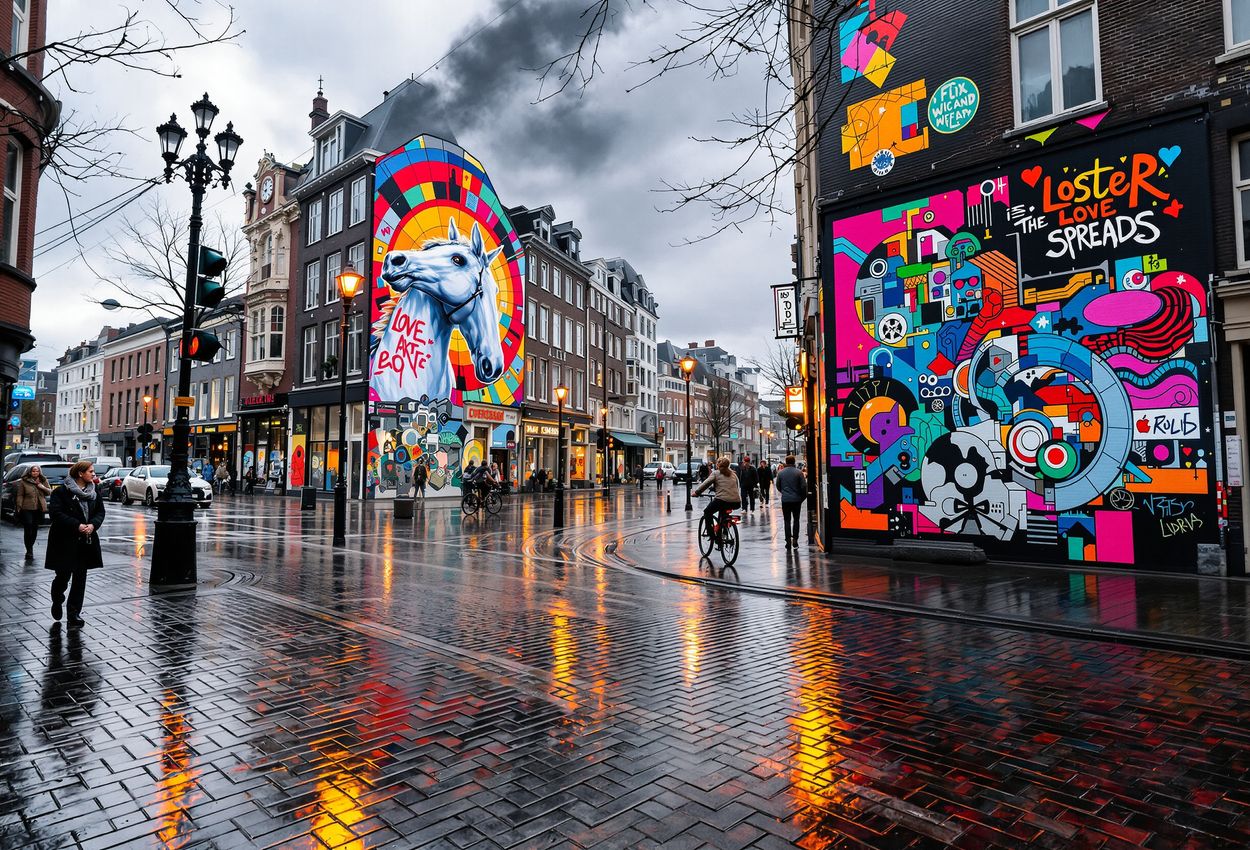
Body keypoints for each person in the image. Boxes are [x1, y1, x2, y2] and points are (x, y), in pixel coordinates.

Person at [45, 460, 105, 627]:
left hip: (86, 541)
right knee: (62, 576)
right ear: (80, 473)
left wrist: (93, 525)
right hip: (65, 541)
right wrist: (77, 525)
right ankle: (57, 600)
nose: (94, 474)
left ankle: (74, 614)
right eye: (91, 472)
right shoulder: (62, 492)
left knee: (80, 578)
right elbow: (56, 514)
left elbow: (100, 511)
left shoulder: (94, 490)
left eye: (93, 472)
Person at [693, 456, 741, 541]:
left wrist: (697, 492)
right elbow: (737, 487)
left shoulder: (716, 473)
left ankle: (712, 535)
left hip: (721, 500)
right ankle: (723, 533)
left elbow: (706, 483)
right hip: (736, 502)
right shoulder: (734, 474)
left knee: (707, 512)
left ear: (718, 465)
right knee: (723, 515)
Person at [16, 465, 52, 560]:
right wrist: (19, 506)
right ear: (30, 472)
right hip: (27, 507)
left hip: (39, 508)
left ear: (39, 472)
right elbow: (20, 495)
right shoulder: (24, 481)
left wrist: (41, 487)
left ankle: (30, 546)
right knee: (28, 526)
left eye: (37, 471)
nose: (35, 473)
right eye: (33, 471)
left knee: (35, 528)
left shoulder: (43, 480)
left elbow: (49, 492)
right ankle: (29, 550)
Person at [776, 454, 807, 549]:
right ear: (794, 462)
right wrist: (801, 497)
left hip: (785, 500)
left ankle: (788, 541)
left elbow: (778, 486)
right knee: (796, 520)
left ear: (786, 462)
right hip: (796, 499)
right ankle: (795, 541)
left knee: (787, 520)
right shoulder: (799, 472)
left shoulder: (781, 473)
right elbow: (803, 486)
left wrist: (784, 493)